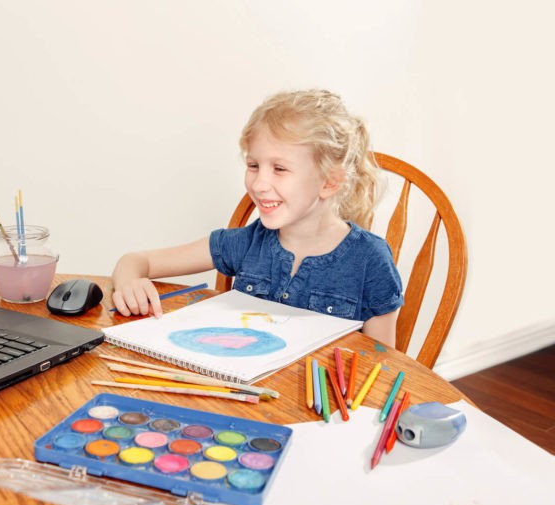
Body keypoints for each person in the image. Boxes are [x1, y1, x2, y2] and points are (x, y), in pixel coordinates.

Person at [111, 89, 403, 346]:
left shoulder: (371, 260)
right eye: (253, 165)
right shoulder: (246, 244)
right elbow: (137, 260)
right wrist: (129, 282)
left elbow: (383, 364)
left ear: (329, 181)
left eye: (279, 169)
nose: (259, 184)